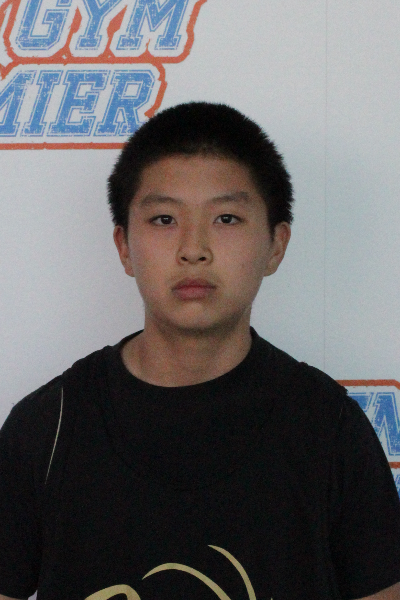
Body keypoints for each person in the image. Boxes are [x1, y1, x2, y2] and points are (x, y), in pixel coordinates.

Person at [0, 102, 400, 600]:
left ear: (276, 245)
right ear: (124, 246)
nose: (193, 249)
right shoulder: (48, 427)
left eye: (226, 218)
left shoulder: (328, 427)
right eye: (164, 219)